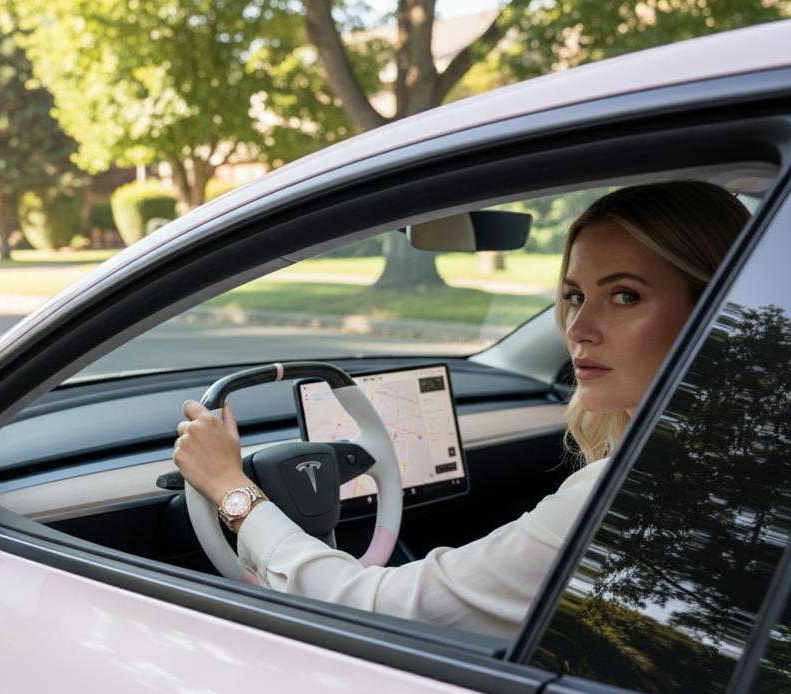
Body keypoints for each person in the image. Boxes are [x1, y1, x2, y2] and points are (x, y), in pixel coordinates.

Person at [172, 180, 752, 640]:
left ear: (718, 311)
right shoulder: (741, 453)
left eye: (624, 295)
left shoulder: (633, 491)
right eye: (575, 295)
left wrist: (233, 491)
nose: (578, 328)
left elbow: (375, 610)